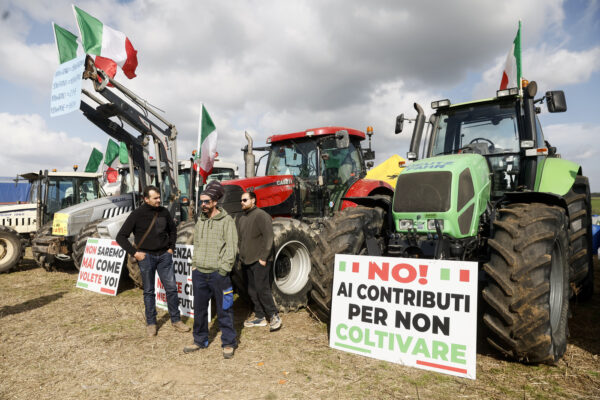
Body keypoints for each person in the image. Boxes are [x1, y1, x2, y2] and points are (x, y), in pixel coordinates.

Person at [116, 185, 190, 337]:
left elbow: (172, 230)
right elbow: (120, 236)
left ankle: (176, 320)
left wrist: (171, 248)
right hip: (146, 257)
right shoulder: (137, 214)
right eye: (155, 198)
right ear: (146, 199)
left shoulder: (163, 212)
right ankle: (151, 323)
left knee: (171, 289)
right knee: (149, 292)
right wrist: (135, 253)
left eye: (159, 197)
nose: (158, 200)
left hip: (164, 256)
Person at [183, 181, 238, 359]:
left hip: (218, 274)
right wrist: (194, 266)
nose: (203, 205)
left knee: (225, 309)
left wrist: (223, 270)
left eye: (206, 202)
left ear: (215, 202)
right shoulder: (201, 220)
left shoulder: (226, 221)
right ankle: (199, 340)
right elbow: (197, 244)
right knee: (199, 310)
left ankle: (228, 342)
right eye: (201, 202)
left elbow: (232, 248)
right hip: (200, 273)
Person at [236, 191, 282, 332]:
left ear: (253, 200)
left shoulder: (262, 215)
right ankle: (260, 316)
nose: (242, 202)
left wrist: (263, 258)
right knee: (251, 290)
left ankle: (274, 316)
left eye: (245, 200)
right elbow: (240, 240)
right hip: (246, 261)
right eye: (241, 200)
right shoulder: (242, 218)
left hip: (259, 260)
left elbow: (269, 238)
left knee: (262, 289)